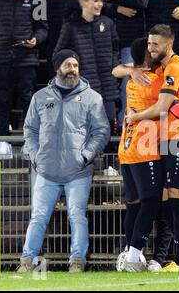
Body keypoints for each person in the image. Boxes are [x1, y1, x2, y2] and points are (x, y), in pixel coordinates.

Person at [18, 49, 110, 273]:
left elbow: (102, 131)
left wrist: (86, 156)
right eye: (68, 65)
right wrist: (36, 155)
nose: (73, 70)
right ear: (58, 68)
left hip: (78, 171)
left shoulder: (92, 97)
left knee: (77, 215)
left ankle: (77, 261)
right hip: (46, 170)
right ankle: (26, 261)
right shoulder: (40, 97)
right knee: (38, 216)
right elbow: (29, 129)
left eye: (76, 66)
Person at [123, 24, 179, 272]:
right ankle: (169, 258)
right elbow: (117, 70)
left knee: (177, 199)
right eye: (149, 44)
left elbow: (162, 106)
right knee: (167, 200)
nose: (151, 48)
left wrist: (135, 117)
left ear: (169, 43)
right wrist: (129, 70)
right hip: (163, 139)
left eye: (155, 44)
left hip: (178, 138)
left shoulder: (175, 66)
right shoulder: (162, 68)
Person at [115, 37, 163, 272]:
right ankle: (134, 255)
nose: (156, 50)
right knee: (152, 201)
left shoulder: (132, 76)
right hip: (145, 148)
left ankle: (127, 253)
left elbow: (115, 69)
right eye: (152, 48)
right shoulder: (152, 79)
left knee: (134, 203)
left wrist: (129, 69)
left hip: (127, 147)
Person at [53, 0, 120, 162]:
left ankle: (109, 165)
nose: (99, 5)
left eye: (101, 1)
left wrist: (113, 66)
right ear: (83, 1)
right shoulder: (71, 26)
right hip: (83, 89)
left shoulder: (108, 23)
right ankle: (81, 165)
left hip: (108, 86)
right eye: (95, 1)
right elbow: (57, 55)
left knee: (110, 125)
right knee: (82, 129)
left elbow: (115, 48)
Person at [0, 0, 48, 159]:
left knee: (28, 100)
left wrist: (35, 40)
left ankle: (29, 142)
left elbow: (42, 28)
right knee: (2, 100)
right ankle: (3, 142)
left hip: (26, 57)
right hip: (1, 57)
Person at [105, 0, 150, 133]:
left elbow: (141, 2)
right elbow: (93, 3)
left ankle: (125, 122)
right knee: (105, 81)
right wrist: (117, 8)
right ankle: (106, 125)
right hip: (103, 40)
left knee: (128, 81)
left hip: (131, 41)